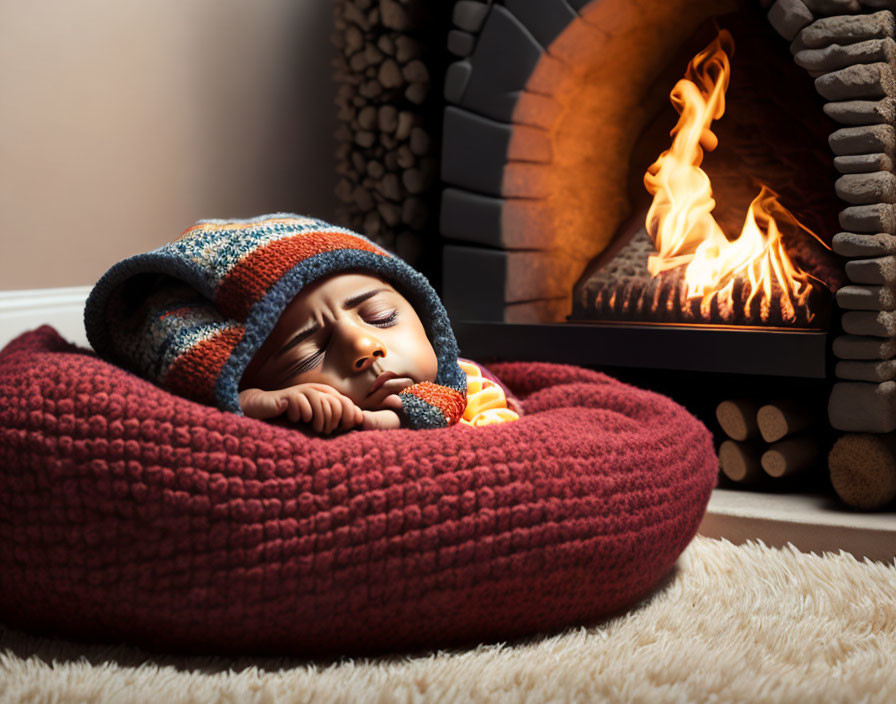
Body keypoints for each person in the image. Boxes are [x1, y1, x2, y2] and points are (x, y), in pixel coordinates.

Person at [84, 213, 519, 434]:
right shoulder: (277, 409)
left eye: (382, 317)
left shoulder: (468, 387)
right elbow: (211, 408)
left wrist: (378, 422)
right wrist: (250, 404)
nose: (365, 347)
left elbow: (447, 413)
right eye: (308, 351)